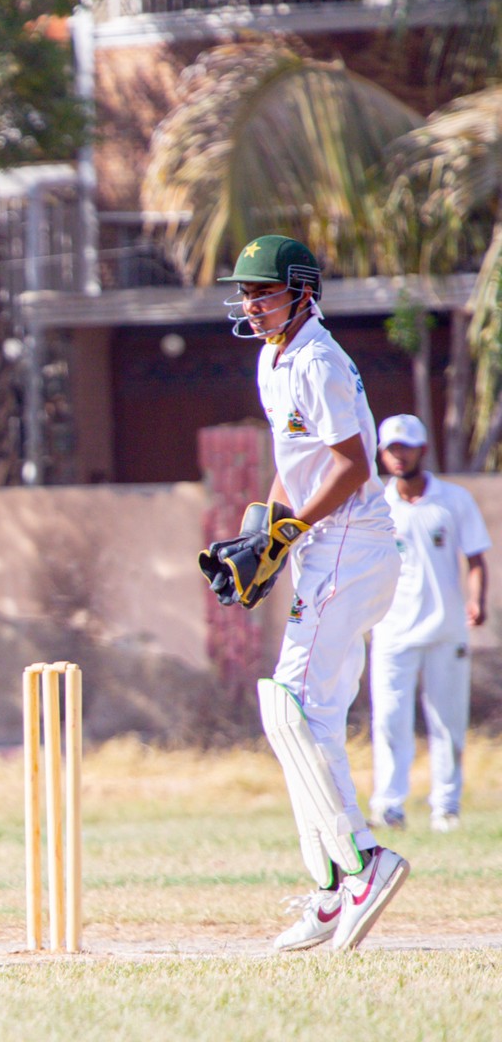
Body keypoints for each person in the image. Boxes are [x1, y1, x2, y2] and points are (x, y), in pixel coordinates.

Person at [199, 235, 407, 953]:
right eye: (246, 294)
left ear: (302, 292)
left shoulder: (318, 359)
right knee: (304, 717)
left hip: (350, 543)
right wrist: (265, 530)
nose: (251, 305)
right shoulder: (273, 358)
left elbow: (352, 466)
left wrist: (293, 530)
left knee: (289, 706)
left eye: (264, 292)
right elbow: (295, 463)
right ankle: (330, 888)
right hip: (329, 548)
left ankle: (363, 862)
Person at [367, 413, 490, 833]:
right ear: (382, 453)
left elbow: (475, 558)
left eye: (406, 448)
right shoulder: (377, 505)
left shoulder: (453, 500)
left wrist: (476, 601)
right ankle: (389, 806)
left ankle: (446, 807)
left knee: (447, 723)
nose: (398, 456)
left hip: (445, 629)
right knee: (389, 721)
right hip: (391, 630)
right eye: (391, 449)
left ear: (422, 450)